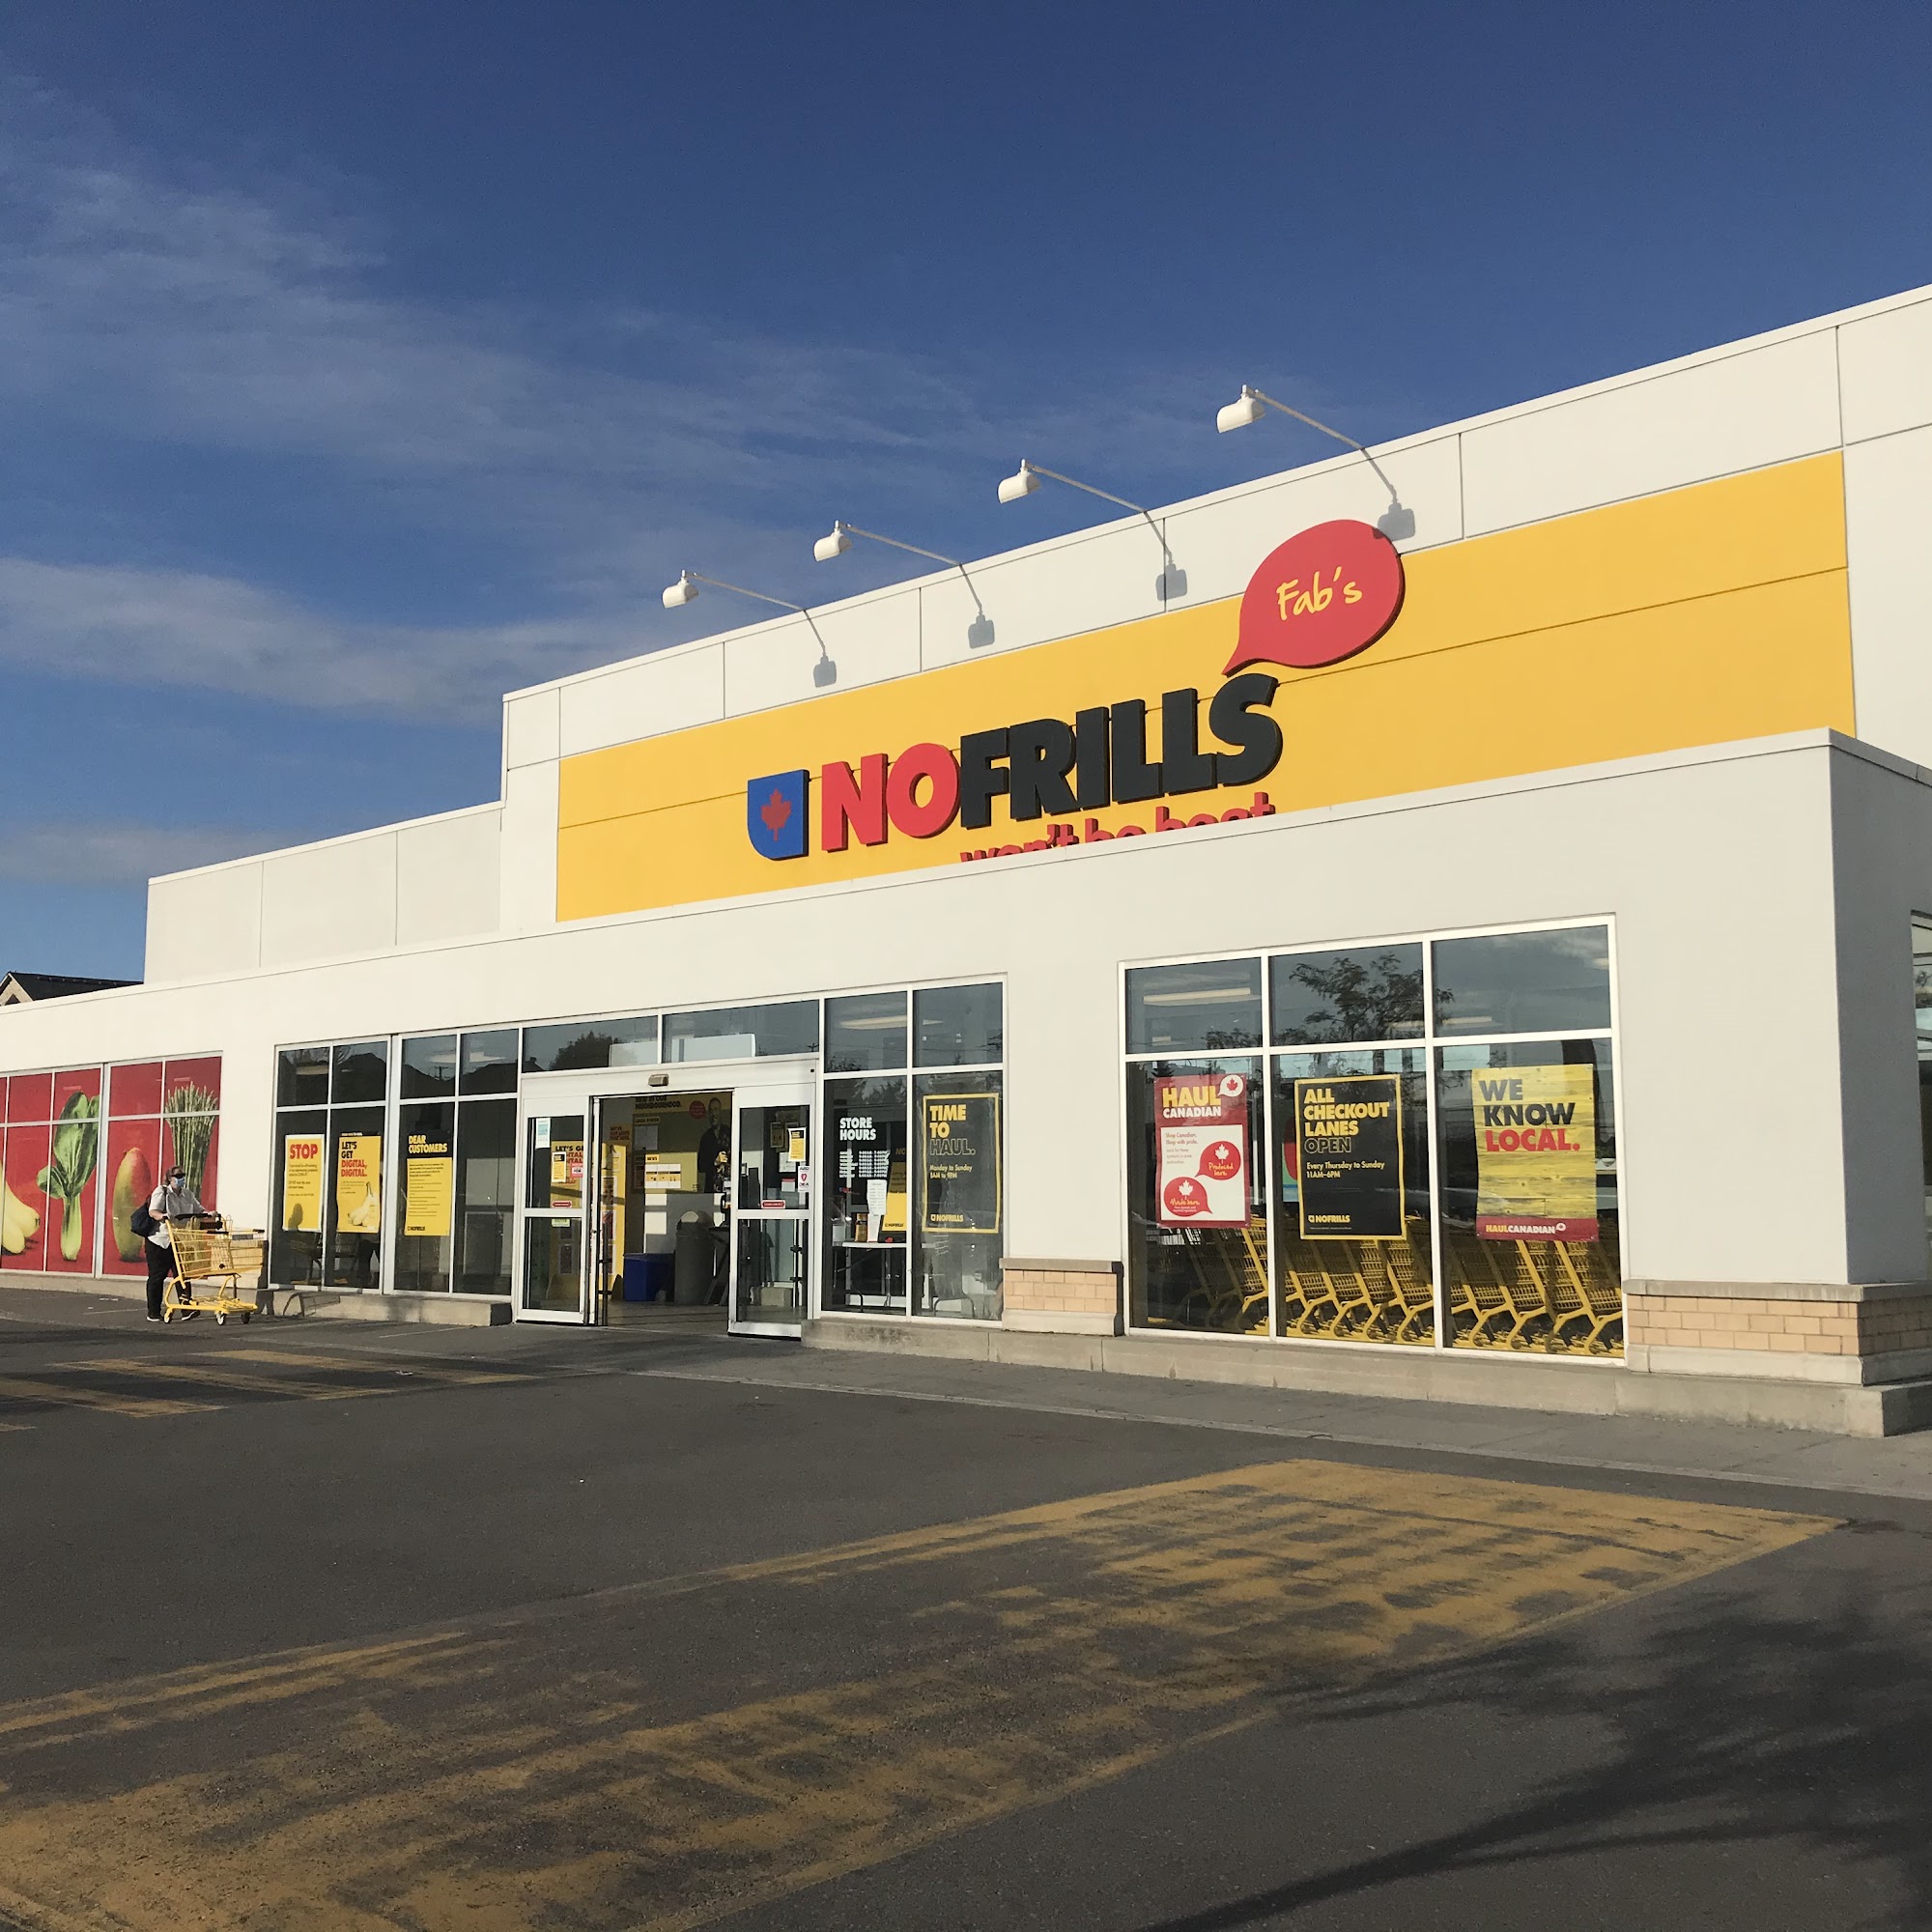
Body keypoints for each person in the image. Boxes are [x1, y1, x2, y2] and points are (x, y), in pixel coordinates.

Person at [144, 1164, 204, 1321]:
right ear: (169, 1178)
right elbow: (153, 1211)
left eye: (182, 1175)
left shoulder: (187, 1195)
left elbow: (199, 1210)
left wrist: (209, 1214)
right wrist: (162, 1216)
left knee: (182, 1274)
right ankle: (153, 1312)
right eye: (177, 1176)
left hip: (179, 1240)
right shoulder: (162, 1192)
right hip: (160, 1240)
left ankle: (186, 1309)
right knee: (157, 1276)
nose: (181, 1178)